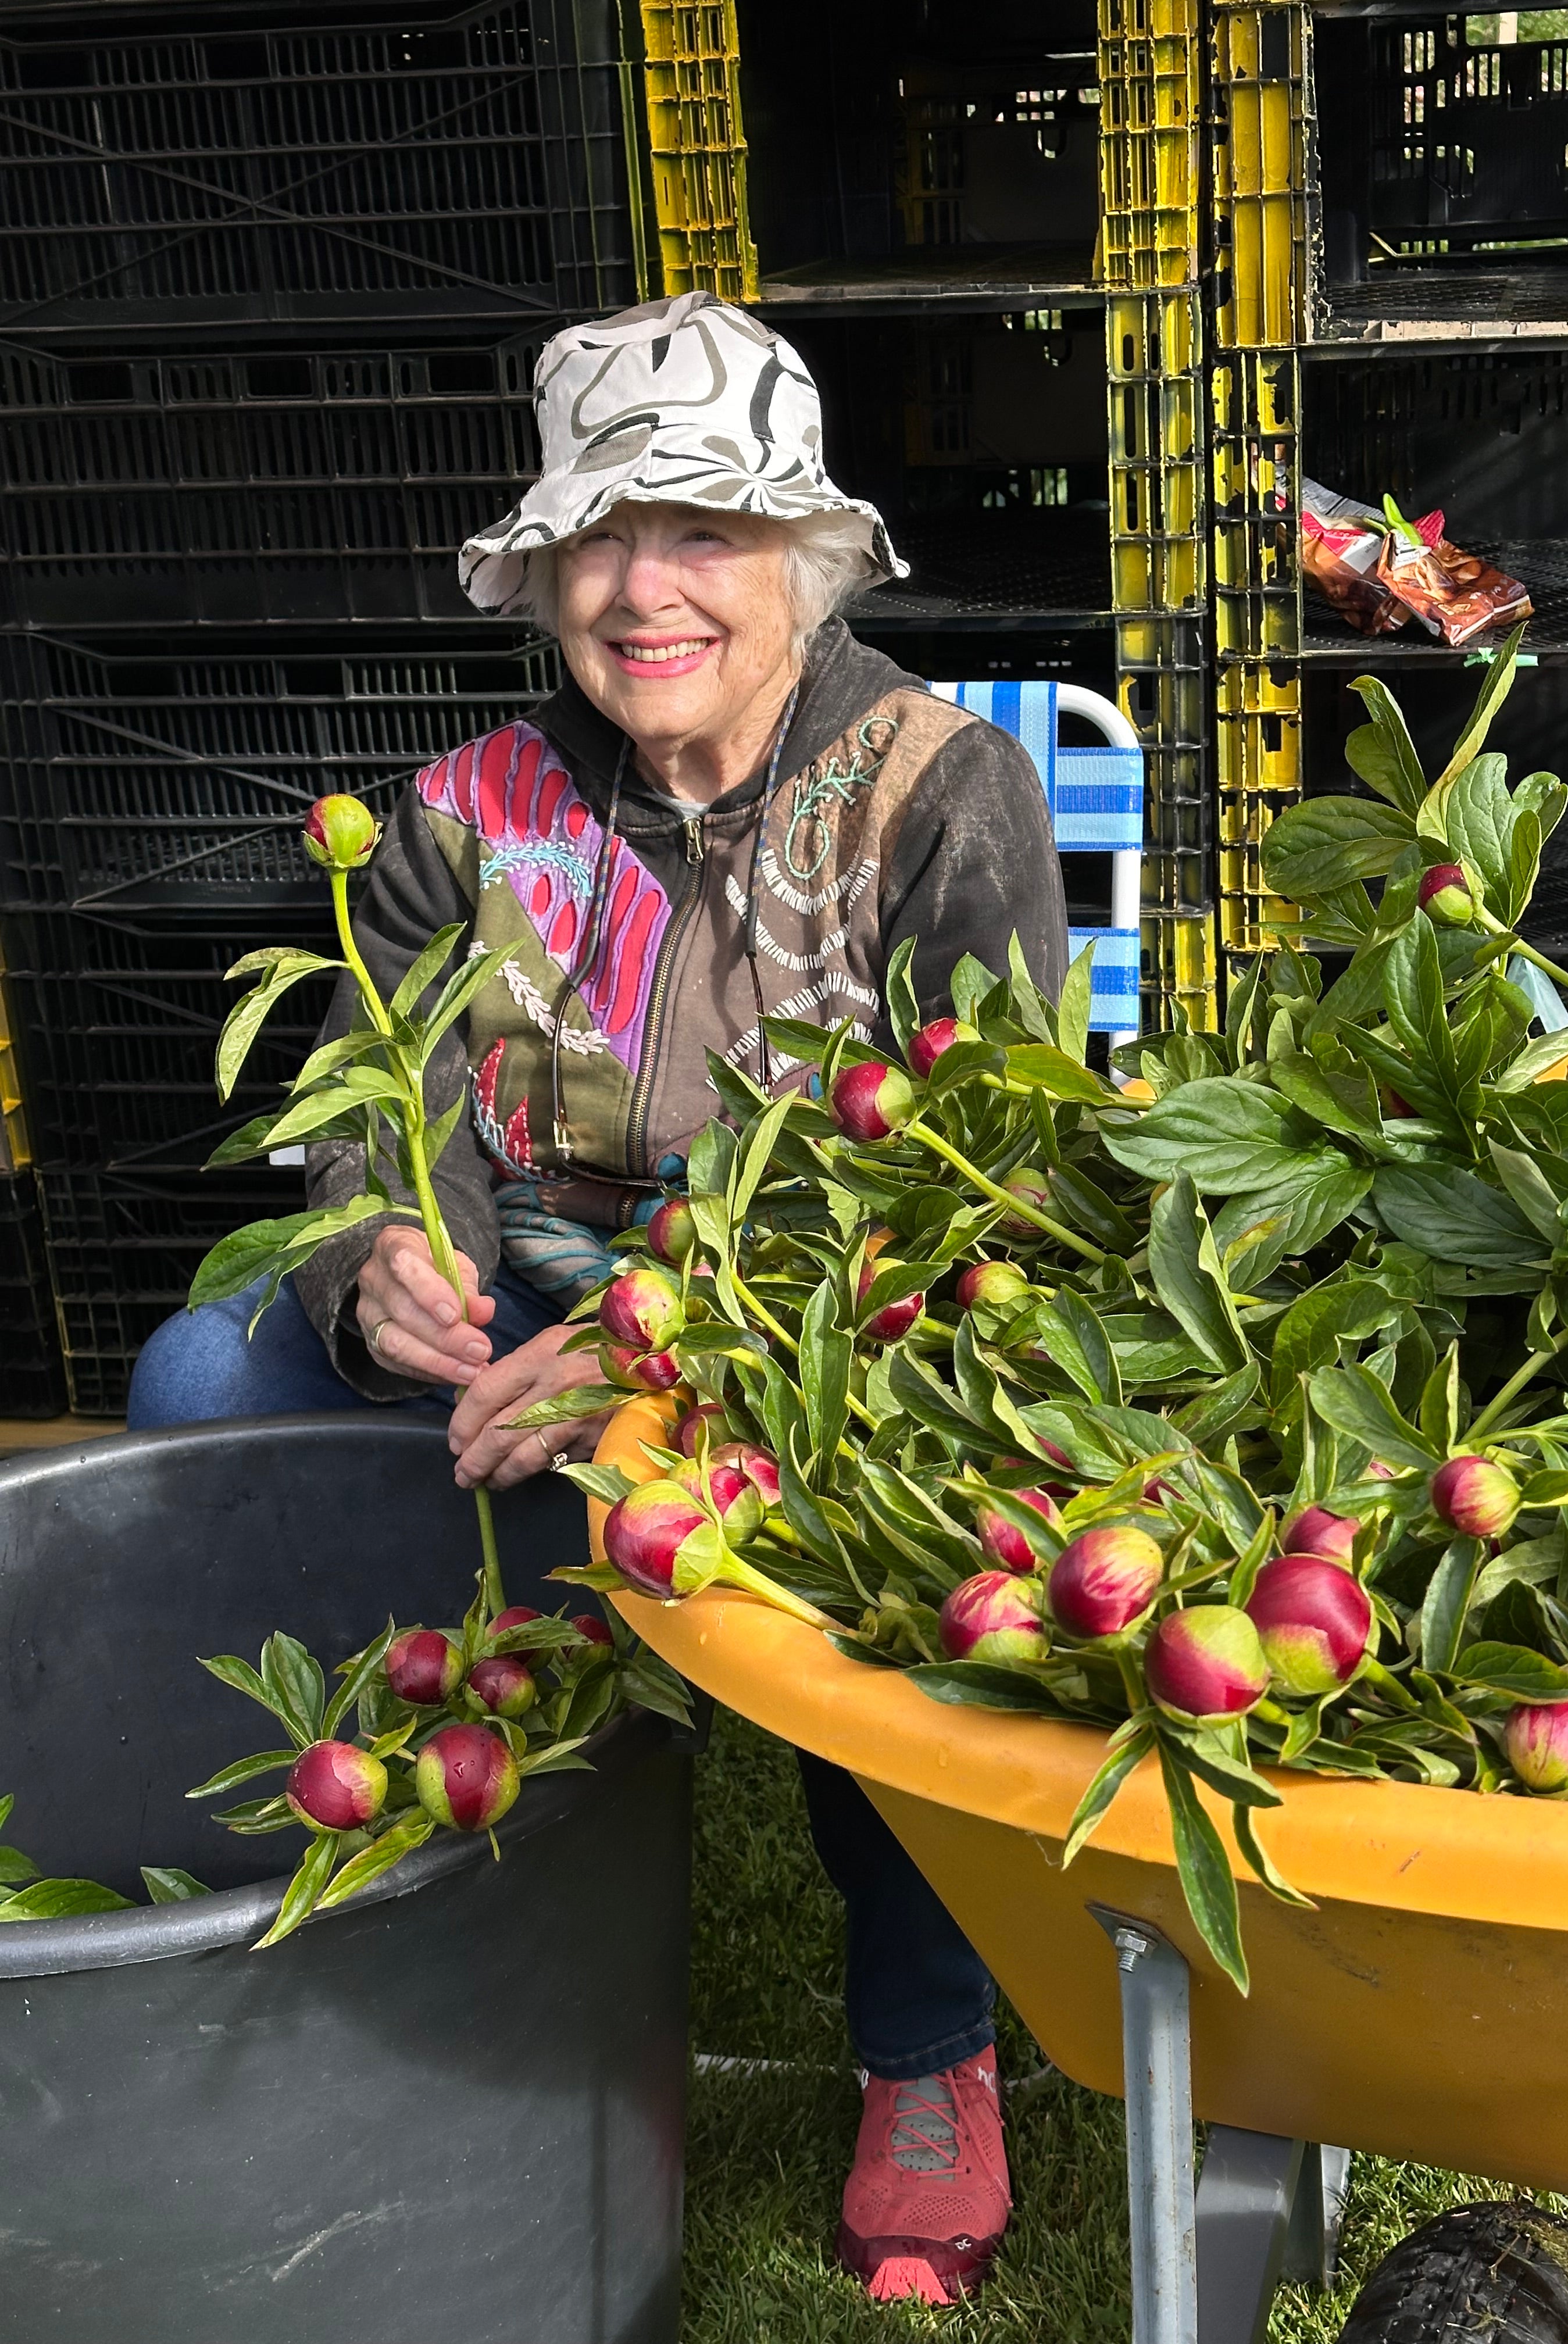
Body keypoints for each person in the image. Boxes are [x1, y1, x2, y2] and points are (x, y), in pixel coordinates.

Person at [130, 290, 1067, 2304]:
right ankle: (326, 1891)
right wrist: (383, 1248)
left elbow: (972, 1176)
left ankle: (926, 2046)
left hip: (819, 1315)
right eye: (597, 539)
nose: (644, 591)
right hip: (524, 1288)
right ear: (545, 566)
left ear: (800, 559)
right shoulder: (459, 814)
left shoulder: (938, 792)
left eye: (703, 533)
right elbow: (371, 1098)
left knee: (918, 1512)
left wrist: (663, 1344)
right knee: (208, 1374)